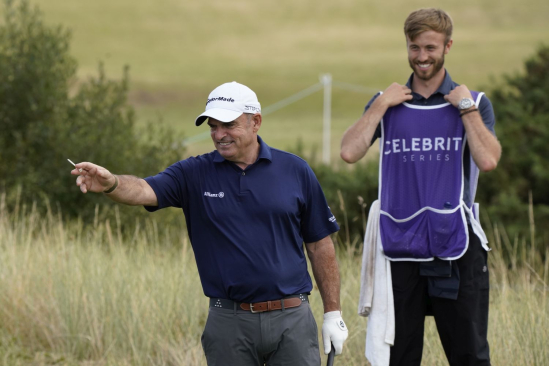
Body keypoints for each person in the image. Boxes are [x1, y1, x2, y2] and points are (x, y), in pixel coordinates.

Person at [71, 81, 348, 366]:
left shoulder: (295, 170)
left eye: (228, 125)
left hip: (292, 319)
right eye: (213, 126)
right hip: (228, 322)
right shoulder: (193, 173)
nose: (219, 135)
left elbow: (319, 244)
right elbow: (142, 189)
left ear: (256, 122)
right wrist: (112, 183)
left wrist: (333, 314)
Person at [341, 8, 501, 366]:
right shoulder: (389, 103)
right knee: (399, 358)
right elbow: (349, 152)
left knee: (469, 356)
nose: (422, 57)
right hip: (400, 246)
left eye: (430, 47)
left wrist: (465, 108)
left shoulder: (473, 102)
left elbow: (488, 160)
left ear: (448, 46)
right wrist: (380, 104)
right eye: (414, 48)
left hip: (456, 247)